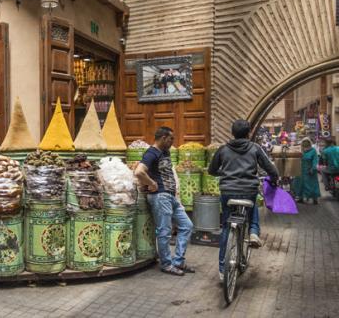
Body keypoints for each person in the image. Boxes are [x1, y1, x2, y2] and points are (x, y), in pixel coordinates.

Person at [208, 120, 279, 281]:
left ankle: (221, 269)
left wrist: (225, 174)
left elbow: (212, 170)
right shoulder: (255, 148)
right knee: (252, 206)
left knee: (226, 226)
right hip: (248, 190)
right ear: (249, 133)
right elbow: (271, 168)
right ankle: (253, 233)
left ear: (232, 133)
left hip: (227, 192)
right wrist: (274, 179)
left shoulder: (223, 149)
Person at [134, 127, 194, 276]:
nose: (173, 141)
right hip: (161, 197)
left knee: (187, 225)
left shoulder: (165, 152)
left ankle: (178, 261)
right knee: (164, 231)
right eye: (171, 138)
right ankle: (166, 264)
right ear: (162, 138)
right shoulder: (151, 153)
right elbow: (139, 171)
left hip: (171, 197)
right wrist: (151, 183)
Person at [296, 139, 320, 204]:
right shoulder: (300, 151)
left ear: (309, 144)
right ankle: (301, 198)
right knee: (300, 184)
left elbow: (315, 161)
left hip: (310, 171)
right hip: (301, 170)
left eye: (306, 144)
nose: (305, 145)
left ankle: (315, 199)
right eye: (303, 144)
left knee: (312, 185)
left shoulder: (313, 151)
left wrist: (313, 168)